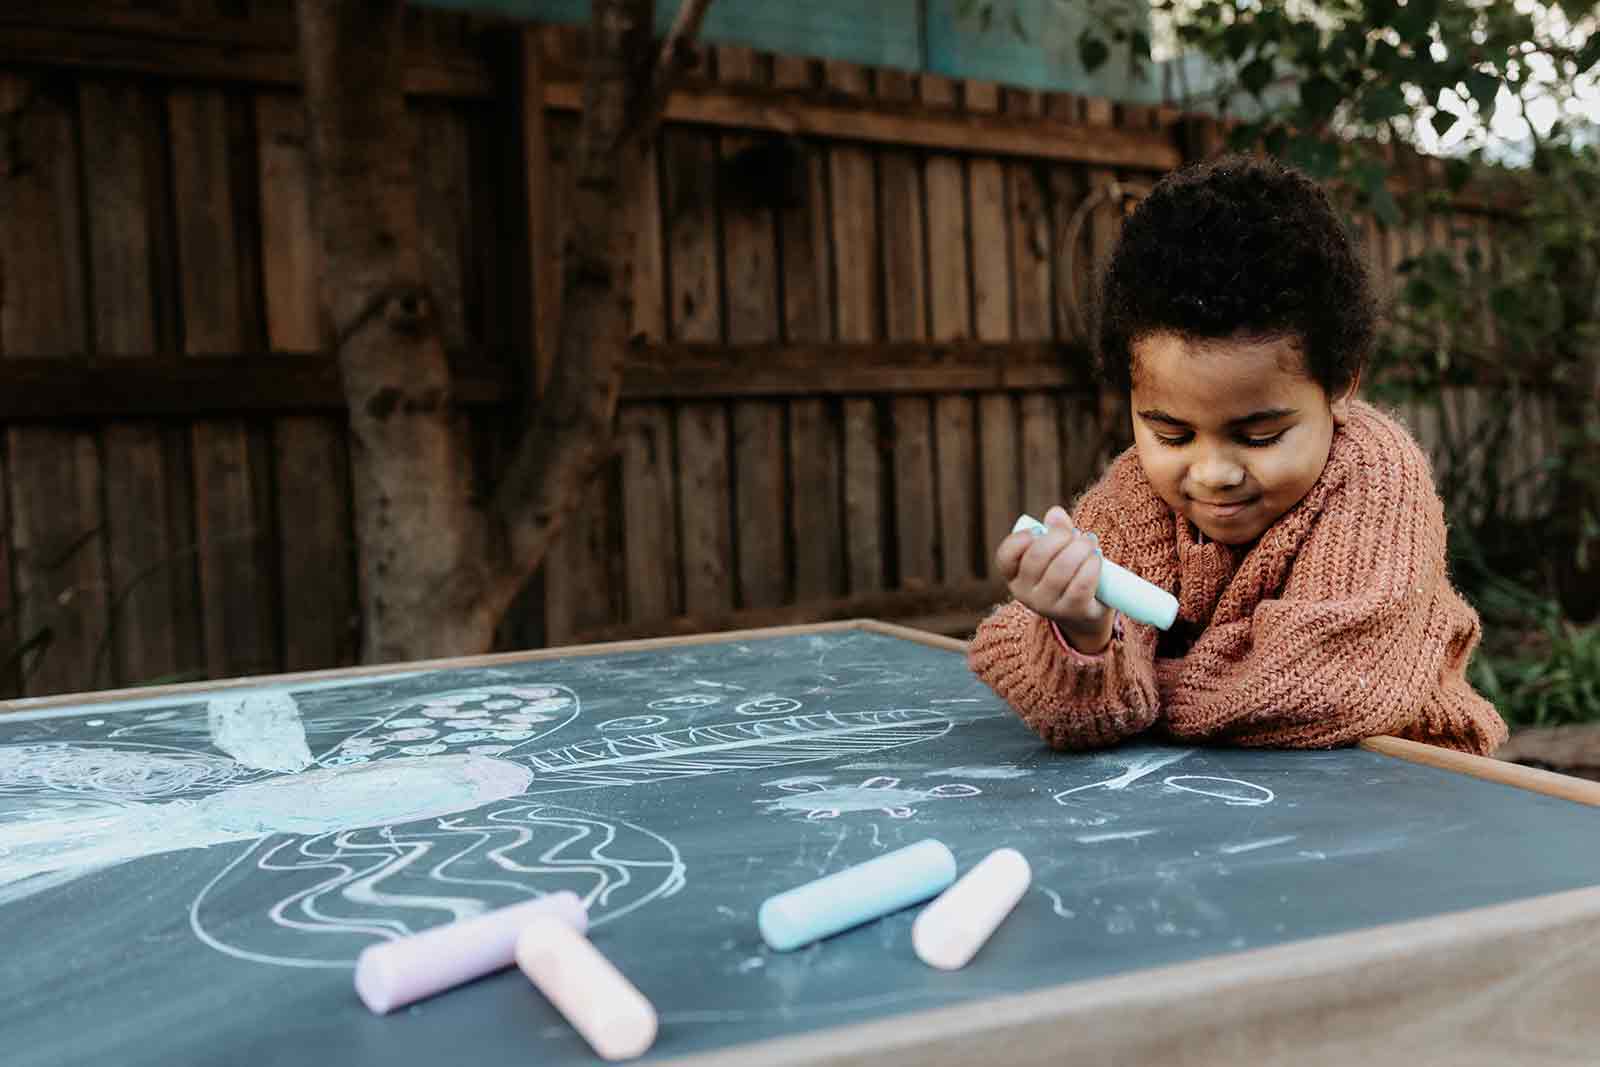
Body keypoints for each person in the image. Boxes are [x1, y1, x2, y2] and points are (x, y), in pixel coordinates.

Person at [967, 155, 1507, 756]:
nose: (1214, 474)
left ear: (1339, 387)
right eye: (1172, 435)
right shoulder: (1132, 501)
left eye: (1259, 436)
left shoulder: (1375, 478)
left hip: (1405, 792)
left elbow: (1323, 691)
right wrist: (1084, 635)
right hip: (1218, 803)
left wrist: (1143, 687)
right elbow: (1070, 709)